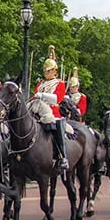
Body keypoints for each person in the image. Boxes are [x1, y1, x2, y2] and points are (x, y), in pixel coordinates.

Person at [32, 45, 69, 173]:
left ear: (55, 71)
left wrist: (42, 95)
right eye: (45, 71)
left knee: (57, 129)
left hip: (53, 113)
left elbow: (57, 99)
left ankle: (62, 156)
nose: (46, 73)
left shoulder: (59, 83)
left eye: (49, 71)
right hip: (38, 113)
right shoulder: (40, 84)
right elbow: (34, 99)